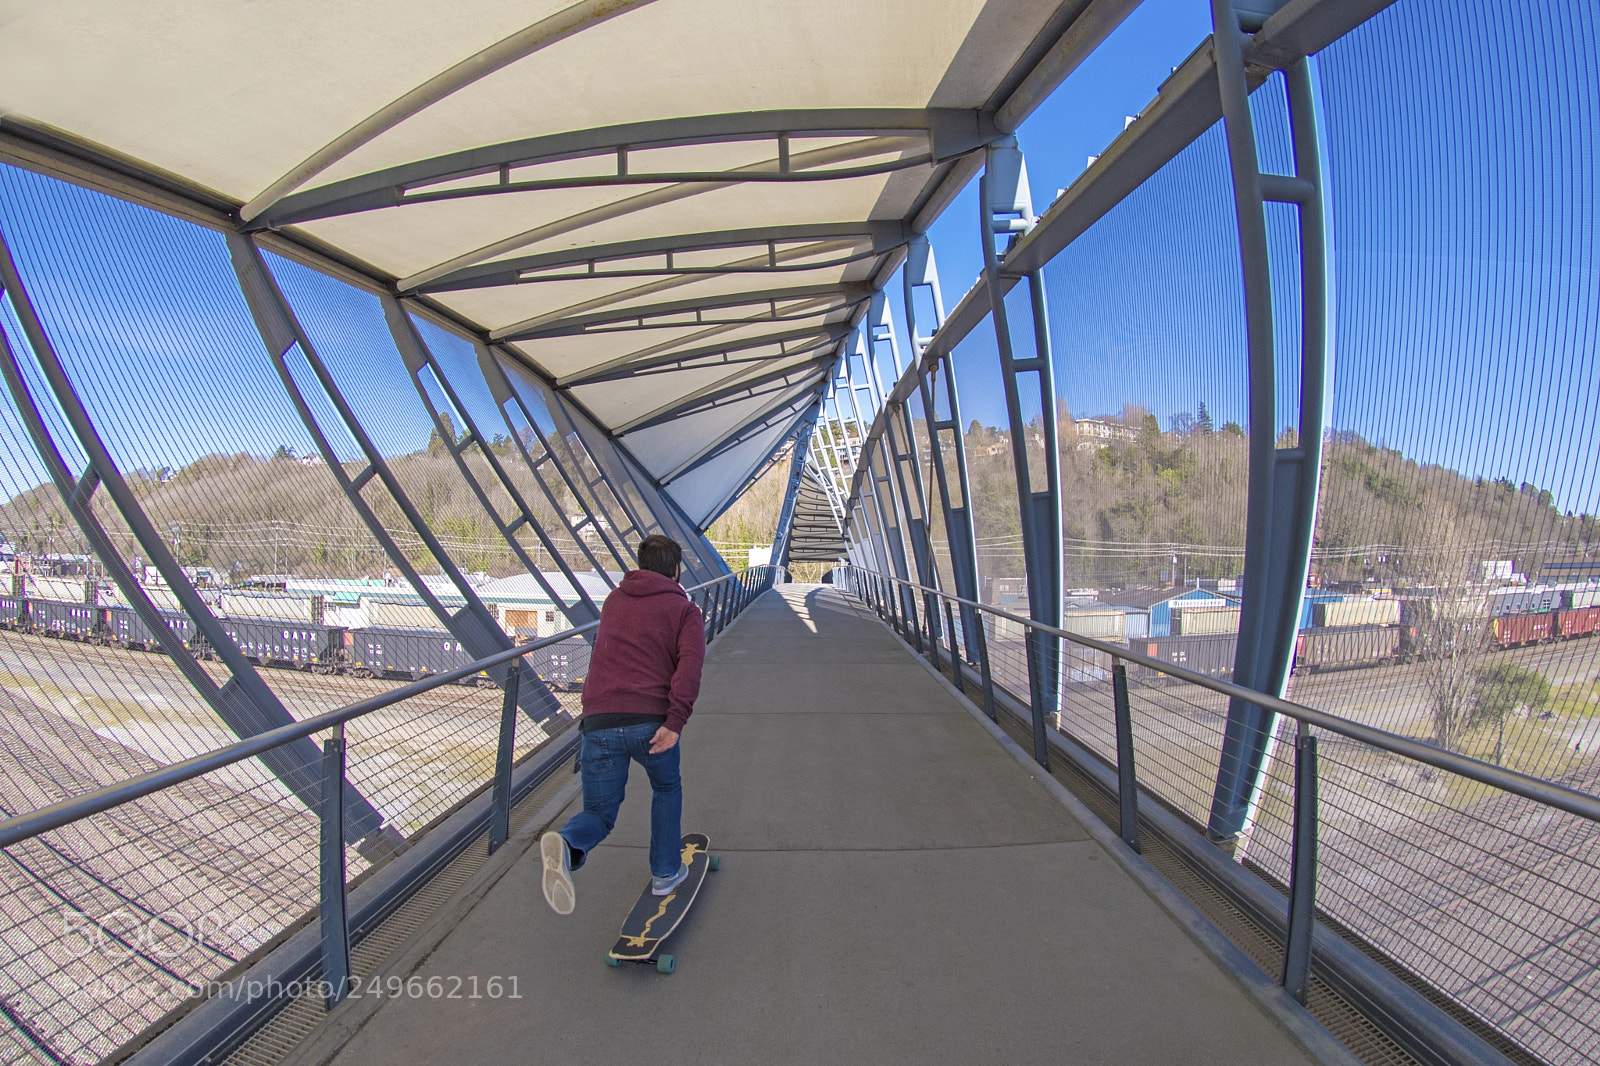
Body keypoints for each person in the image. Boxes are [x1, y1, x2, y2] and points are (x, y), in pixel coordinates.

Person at [541, 534, 705, 915]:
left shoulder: (614, 601)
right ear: (676, 569)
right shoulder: (684, 611)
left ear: (641, 564)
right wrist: (675, 720)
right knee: (666, 787)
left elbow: (603, 656)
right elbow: (689, 668)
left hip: (599, 721)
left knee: (600, 813)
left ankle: (567, 845)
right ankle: (666, 872)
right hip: (651, 721)